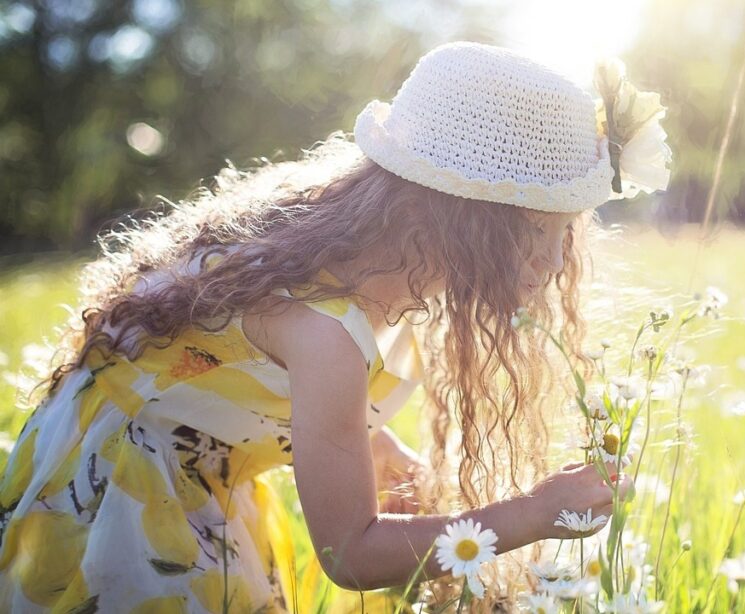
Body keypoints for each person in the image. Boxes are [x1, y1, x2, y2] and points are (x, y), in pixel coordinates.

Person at [0, 41, 638, 611]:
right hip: (120, 493)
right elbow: (349, 556)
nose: (556, 262)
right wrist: (531, 515)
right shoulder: (324, 331)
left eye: (566, 229)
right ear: (450, 216)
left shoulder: (354, 252)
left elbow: (232, 376)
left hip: (192, 461)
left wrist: (379, 452)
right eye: (534, 228)